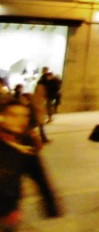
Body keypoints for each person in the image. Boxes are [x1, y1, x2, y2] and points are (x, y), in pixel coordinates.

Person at [0, 99, 60, 230]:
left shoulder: (26, 144)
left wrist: (51, 206)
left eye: (25, 116)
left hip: (9, 211)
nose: (20, 120)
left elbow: (40, 177)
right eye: (14, 115)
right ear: (2, 117)